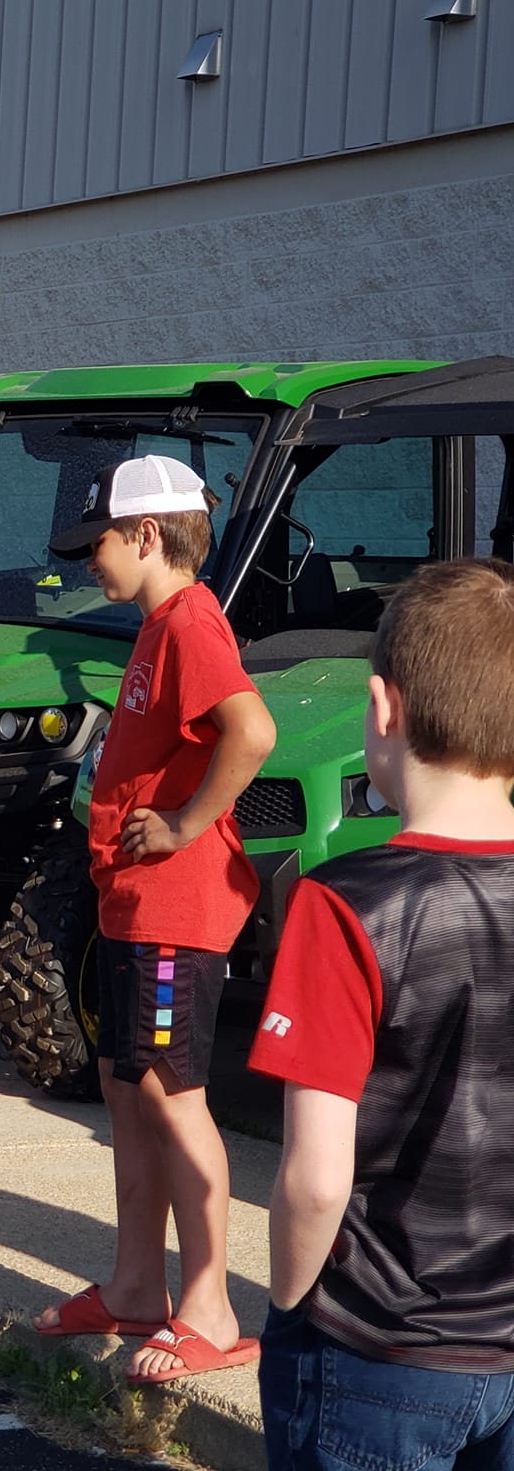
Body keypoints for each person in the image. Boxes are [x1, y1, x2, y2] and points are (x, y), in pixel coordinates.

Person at [251, 559, 514, 1468]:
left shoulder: (344, 902)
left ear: (383, 706)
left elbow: (317, 1176)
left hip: (378, 1341)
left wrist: (290, 1299)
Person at [28, 455, 275, 1385]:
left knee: (172, 1095)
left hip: (178, 910)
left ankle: (209, 1307)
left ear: (144, 535)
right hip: (135, 907)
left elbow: (252, 732)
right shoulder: (158, 625)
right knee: (129, 1092)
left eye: (95, 544)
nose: (87, 562)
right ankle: (138, 1288)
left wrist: (181, 824)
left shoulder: (189, 624)